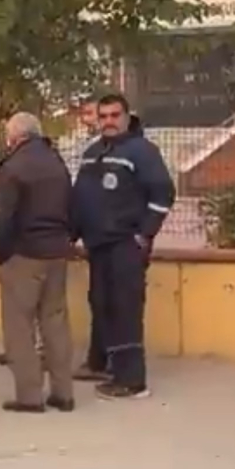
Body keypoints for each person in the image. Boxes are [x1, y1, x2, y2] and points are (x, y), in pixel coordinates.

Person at [71, 92, 175, 401]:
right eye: (103, 116)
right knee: (101, 304)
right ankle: (102, 364)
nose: (109, 122)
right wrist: (72, 233)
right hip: (97, 245)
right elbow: (81, 198)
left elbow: (163, 194)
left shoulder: (142, 151)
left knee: (125, 309)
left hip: (126, 245)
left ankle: (132, 381)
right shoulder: (92, 153)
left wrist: (144, 235)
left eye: (115, 115)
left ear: (127, 117)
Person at [0, 112, 74, 414]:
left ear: (15, 136)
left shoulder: (12, 168)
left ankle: (29, 396)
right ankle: (63, 393)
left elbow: (4, 217)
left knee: (19, 326)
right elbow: (71, 207)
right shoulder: (57, 163)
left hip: (23, 254)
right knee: (56, 321)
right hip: (57, 251)